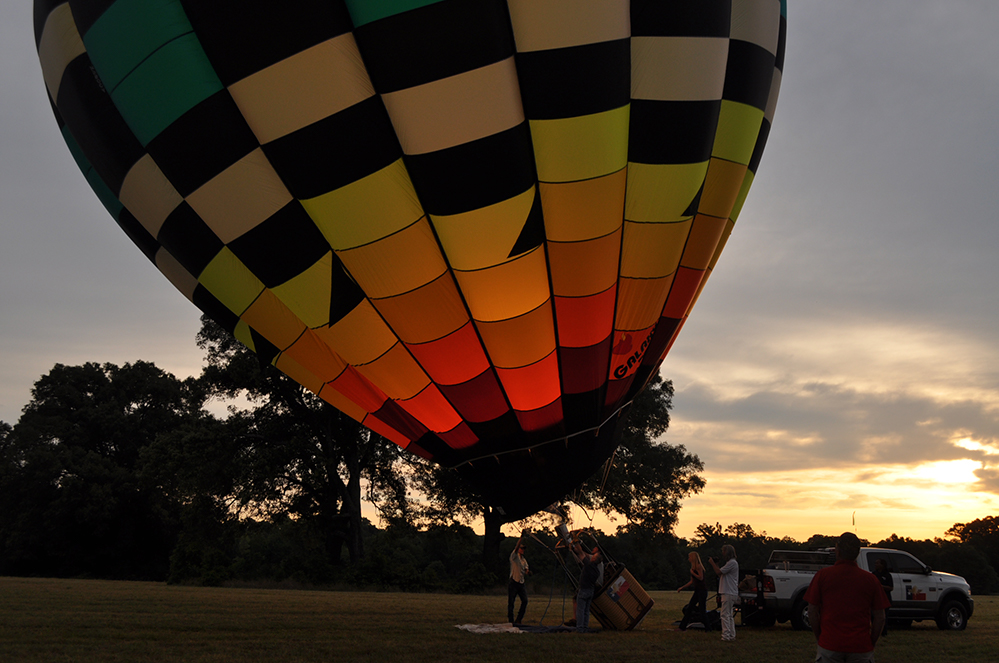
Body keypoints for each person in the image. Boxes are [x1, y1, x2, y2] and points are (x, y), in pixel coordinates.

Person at [804, 533, 890, 662]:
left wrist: (820, 637)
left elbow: (812, 611)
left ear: (837, 551)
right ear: (858, 552)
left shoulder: (822, 576)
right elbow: (880, 617)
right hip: (861, 646)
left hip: (829, 644)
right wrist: (871, 641)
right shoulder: (870, 580)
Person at [709, 545, 739, 641]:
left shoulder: (731, 563)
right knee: (729, 615)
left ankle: (726, 635)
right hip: (730, 592)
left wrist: (712, 563)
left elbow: (719, 572)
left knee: (725, 615)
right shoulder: (732, 563)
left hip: (728, 591)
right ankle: (731, 635)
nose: (722, 553)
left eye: (724, 551)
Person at [573, 543, 602, 632]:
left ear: (594, 559)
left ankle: (580, 627)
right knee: (586, 610)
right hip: (591, 591)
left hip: (584, 590)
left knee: (580, 610)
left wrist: (576, 543)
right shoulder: (597, 571)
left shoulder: (589, 565)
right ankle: (585, 626)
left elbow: (580, 553)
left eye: (594, 556)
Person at [677, 551, 708, 631]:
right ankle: (682, 627)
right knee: (690, 608)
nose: (688, 559)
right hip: (697, 591)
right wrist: (682, 587)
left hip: (702, 591)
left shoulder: (698, 566)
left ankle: (708, 628)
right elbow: (691, 582)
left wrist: (693, 573)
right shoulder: (693, 568)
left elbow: (700, 578)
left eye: (689, 557)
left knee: (702, 610)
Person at [508, 535, 530, 625]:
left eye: (523, 549)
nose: (522, 550)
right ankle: (511, 620)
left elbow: (526, 569)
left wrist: (528, 571)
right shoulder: (514, 556)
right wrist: (521, 537)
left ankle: (519, 619)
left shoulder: (524, 560)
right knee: (511, 602)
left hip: (521, 583)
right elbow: (516, 548)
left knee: (525, 601)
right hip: (513, 582)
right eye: (521, 548)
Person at [872, 558, 893, 637]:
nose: (875, 565)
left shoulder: (887, 575)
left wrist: (881, 587)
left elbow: (891, 587)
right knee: (873, 616)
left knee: (884, 616)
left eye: (877, 563)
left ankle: (883, 632)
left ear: (882, 565)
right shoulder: (874, 574)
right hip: (875, 598)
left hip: (885, 598)